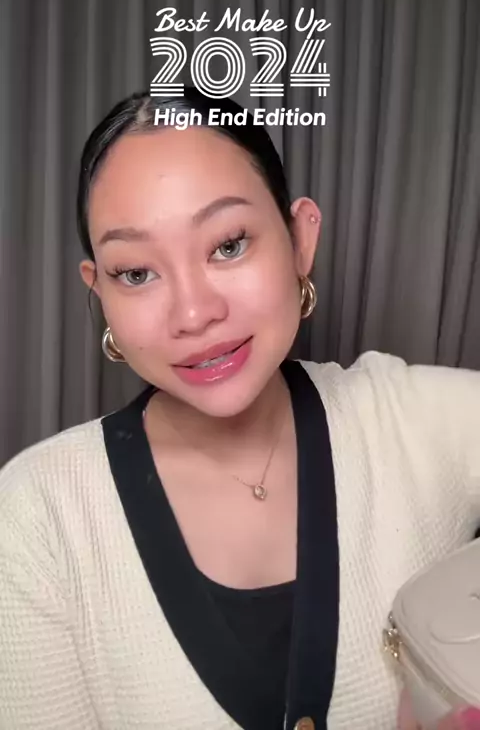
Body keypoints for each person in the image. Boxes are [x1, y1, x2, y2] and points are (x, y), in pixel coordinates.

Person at [0, 87, 479, 730]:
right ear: (100, 291)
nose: (194, 313)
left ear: (299, 239)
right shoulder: (38, 516)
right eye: (136, 273)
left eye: (228, 244)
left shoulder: (412, 421)